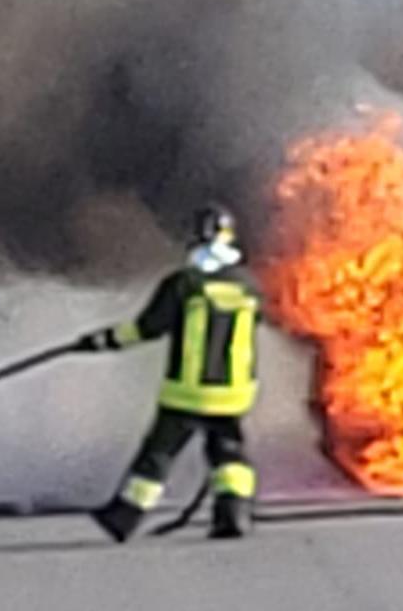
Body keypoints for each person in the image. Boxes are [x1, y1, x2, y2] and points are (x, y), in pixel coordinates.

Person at [78, 204, 264, 541]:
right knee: (228, 450)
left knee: (160, 452)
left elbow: (147, 328)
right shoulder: (248, 286)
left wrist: (101, 340)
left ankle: (125, 517)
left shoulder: (184, 284)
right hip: (234, 392)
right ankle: (234, 514)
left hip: (188, 392)